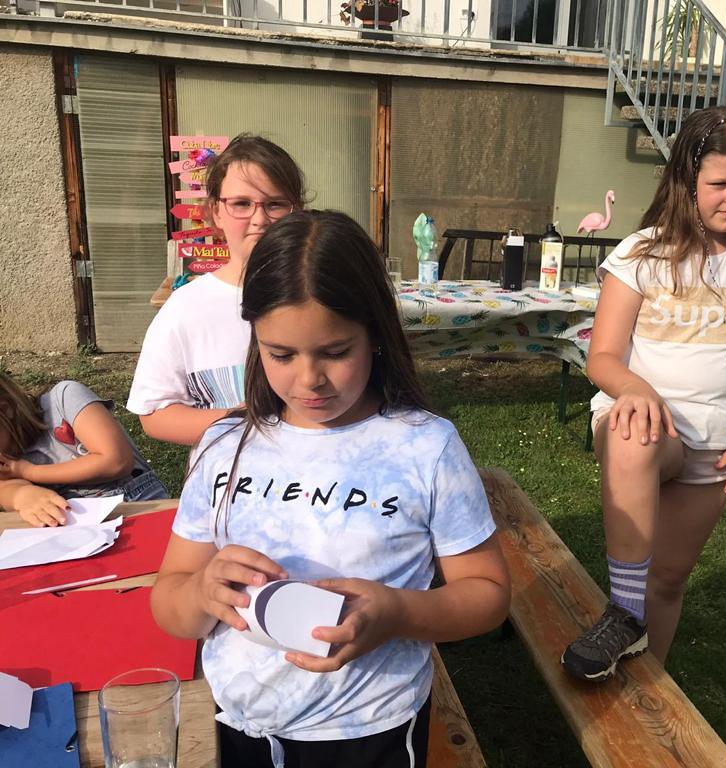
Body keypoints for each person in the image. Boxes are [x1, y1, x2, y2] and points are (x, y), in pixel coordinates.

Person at [150, 210, 510, 768]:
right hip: (238, 728)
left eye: (336, 353)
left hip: (369, 732)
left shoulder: (425, 447)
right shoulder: (224, 444)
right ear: (255, 341)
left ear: (376, 335)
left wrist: (396, 613)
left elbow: (487, 595)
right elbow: (169, 601)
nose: (309, 379)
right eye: (281, 354)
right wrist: (200, 593)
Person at [561, 105, 726, 682]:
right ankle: (623, 611)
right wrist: (635, 390)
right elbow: (602, 357)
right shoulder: (643, 255)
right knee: (631, 432)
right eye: (719, 184)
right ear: (687, 182)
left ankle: (646, 688)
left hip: (714, 443)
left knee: (668, 579)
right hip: (647, 430)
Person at [128, 134, 307, 447]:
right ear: (215, 212)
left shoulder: (322, 293)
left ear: (298, 210)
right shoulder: (185, 308)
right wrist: (248, 421)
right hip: (230, 473)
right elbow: (154, 413)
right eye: (241, 204)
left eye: (275, 204)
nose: (260, 219)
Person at [0, 373, 168, 526]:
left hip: (135, 503)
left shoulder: (64, 399)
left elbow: (116, 461)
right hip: (76, 528)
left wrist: (29, 472)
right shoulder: (7, 457)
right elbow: (5, 489)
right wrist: (21, 495)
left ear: (5, 410)